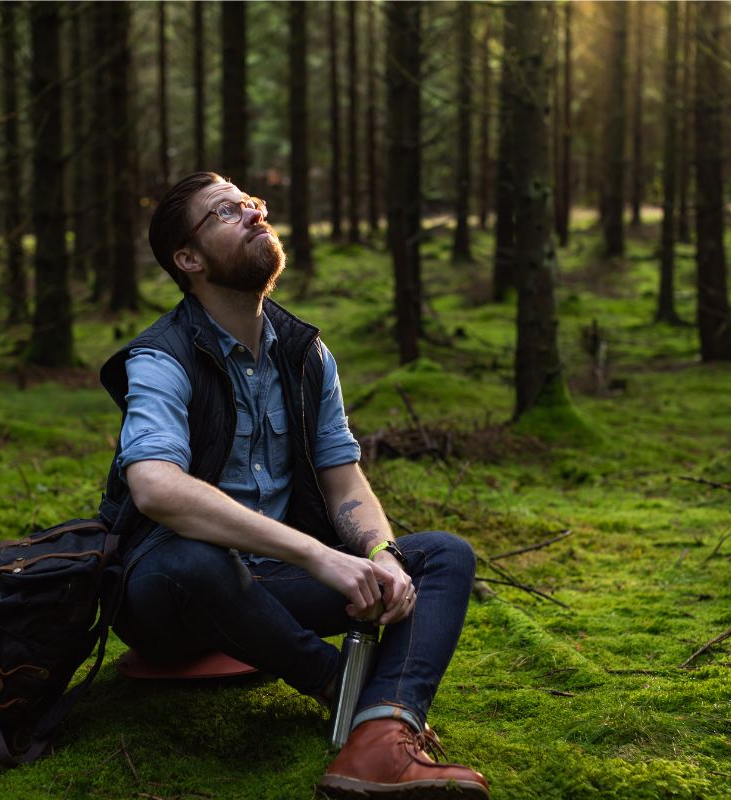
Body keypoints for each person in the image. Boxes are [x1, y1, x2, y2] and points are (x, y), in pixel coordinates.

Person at [97, 172, 489, 799]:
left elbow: (343, 479)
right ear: (188, 259)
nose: (254, 214)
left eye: (252, 204)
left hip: (274, 586)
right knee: (196, 560)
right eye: (227, 212)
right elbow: (155, 489)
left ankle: (382, 738)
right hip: (169, 595)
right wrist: (318, 554)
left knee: (442, 555)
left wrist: (379, 555)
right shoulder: (160, 358)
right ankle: (348, 688)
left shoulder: (306, 353)